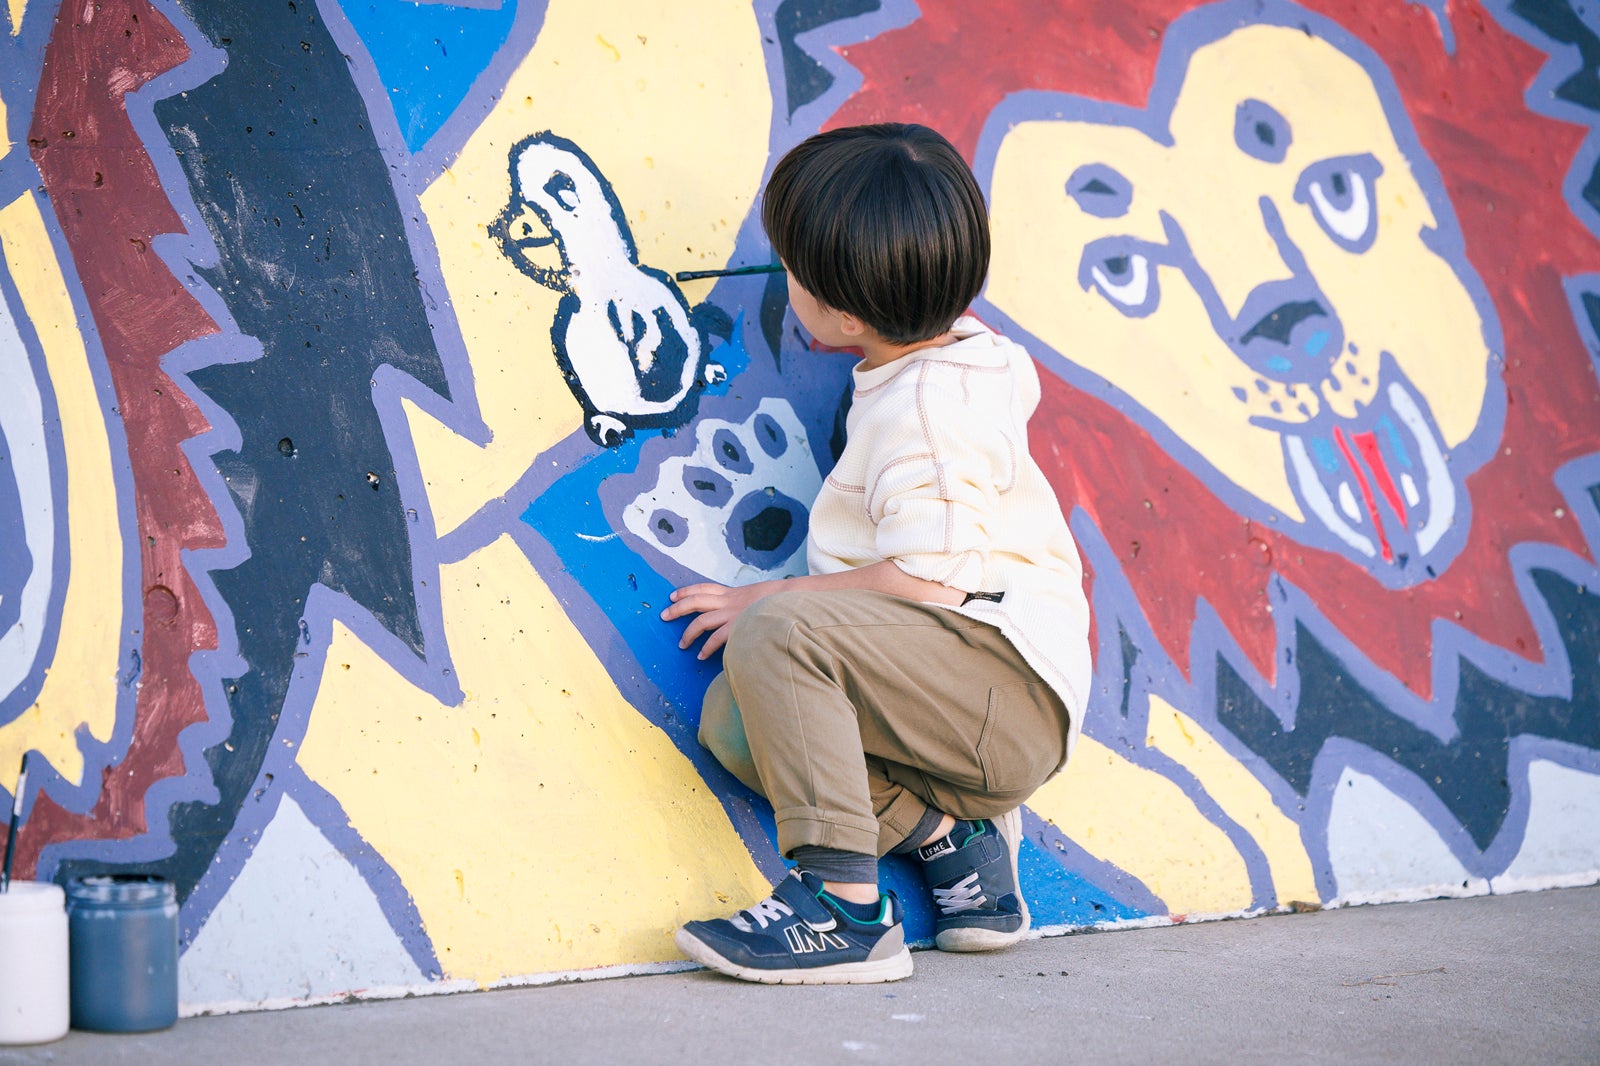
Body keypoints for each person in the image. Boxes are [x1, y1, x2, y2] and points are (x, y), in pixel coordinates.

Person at [661, 123, 1091, 984]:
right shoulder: (950, 360)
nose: (784, 276)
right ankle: (953, 845)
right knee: (739, 724)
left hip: (1003, 691)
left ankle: (843, 911)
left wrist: (767, 605)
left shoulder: (927, 418)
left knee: (778, 632)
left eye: (795, 272)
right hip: (962, 697)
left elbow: (928, 582)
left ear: (846, 316)